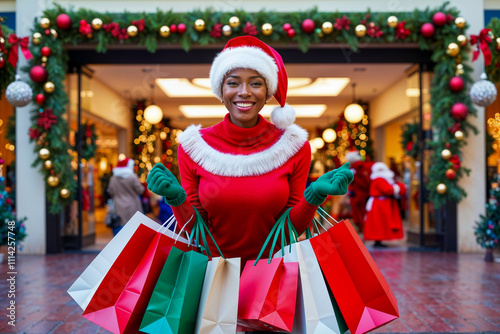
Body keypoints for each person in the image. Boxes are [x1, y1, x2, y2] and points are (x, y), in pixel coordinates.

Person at [146, 36, 353, 265]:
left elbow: (288, 231)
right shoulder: (193, 147)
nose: (244, 92)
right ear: (221, 90)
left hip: (271, 276)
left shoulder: (294, 147)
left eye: (255, 83)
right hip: (210, 276)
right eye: (233, 82)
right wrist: (176, 199)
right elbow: (196, 232)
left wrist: (314, 195)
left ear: (267, 93)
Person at [364, 162, 406, 247]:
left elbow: (397, 188)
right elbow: (388, 190)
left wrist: (397, 187)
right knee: (378, 223)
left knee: (383, 223)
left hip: (385, 204)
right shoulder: (379, 179)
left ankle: (380, 239)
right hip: (380, 205)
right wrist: (398, 187)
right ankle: (377, 240)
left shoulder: (386, 179)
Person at [106, 157, 144, 235]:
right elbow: (140, 190)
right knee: (133, 230)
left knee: (119, 229)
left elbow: (110, 191)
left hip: (118, 206)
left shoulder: (113, 178)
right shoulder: (133, 177)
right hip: (132, 206)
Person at [345, 150, 373, 232]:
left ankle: (362, 228)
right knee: (360, 211)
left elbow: (362, 182)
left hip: (358, 194)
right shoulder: (356, 167)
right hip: (358, 193)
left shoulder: (356, 168)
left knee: (359, 212)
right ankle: (361, 227)